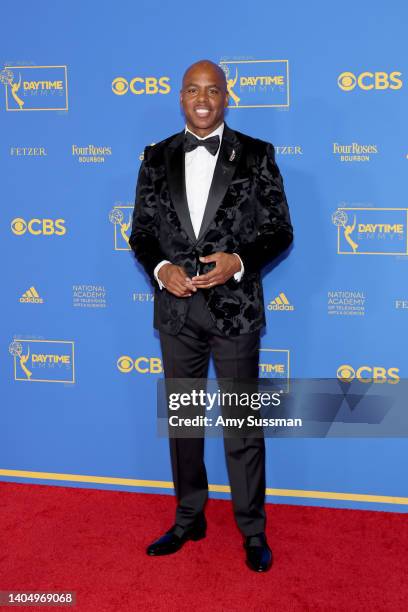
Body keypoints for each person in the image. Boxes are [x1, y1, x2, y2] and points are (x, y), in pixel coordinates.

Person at [129, 59, 293, 572]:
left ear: (227, 98)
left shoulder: (257, 155)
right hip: (176, 312)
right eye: (194, 90)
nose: (203, 99)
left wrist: (238, 262)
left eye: (213, 90)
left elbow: (280, 230)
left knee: (242, 424)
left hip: (235, 311)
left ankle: (251, 530)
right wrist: (159, 268)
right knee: (183, 422)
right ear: (181, 97)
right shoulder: (155, 157)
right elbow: (140, 231)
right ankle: (188, 518)